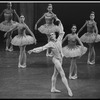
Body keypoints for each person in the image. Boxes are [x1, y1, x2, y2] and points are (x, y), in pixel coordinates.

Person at [28, 21, 73, 96]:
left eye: (52, 34)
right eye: (50, 35)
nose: (51, 35)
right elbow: (41, 48)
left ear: (55, 35)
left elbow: (61, 31)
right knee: (62, 73)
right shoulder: (50, 44)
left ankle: (53, 88)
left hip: (61, 59)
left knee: (55, 74)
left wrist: (60, 22)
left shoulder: (59, 40)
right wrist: (33, 50)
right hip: (55, 59)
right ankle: (68, 89)